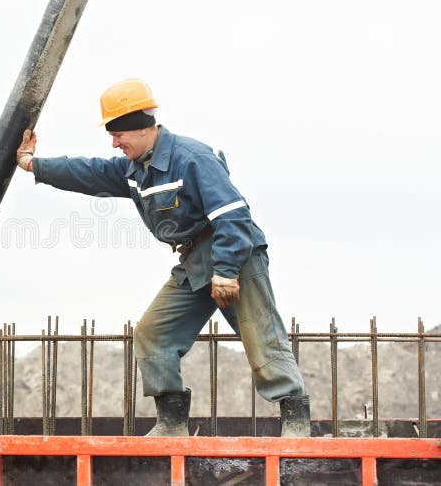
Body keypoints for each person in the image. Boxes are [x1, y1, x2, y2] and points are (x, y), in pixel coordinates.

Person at [16, 78, 310, 437]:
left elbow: (234, 215)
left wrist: (227, 271)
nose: (114, 143)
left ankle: (296, 422)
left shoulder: (192, 158)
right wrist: (33, 165)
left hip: (233, 254)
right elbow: (86, 171)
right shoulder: (133, 169)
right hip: (192, 263)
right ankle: (171, 423)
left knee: (260, 333)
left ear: (141, 128)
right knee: (153, 333)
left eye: (118, 134)